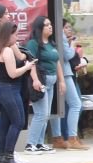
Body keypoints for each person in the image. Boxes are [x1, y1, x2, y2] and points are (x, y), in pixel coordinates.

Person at [0, 21, 36, 163]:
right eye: (15, 35)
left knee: (5, 123)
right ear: (7, 35)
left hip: (4, 89)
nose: (17, 37)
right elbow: (13, 73)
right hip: (9, 89)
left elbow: (20, 56)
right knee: (18, 121)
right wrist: (27, 67)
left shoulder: (0, 49)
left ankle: (2, 158)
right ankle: (9, 156)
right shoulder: (7, 51)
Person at [24, 16, 64, 154]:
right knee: (40, 113)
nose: (50, 27)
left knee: (46, 114)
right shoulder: (33, 44)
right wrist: (36, 80)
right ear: (39, 28)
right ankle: (30, 144)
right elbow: (31, 63)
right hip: (41, 81)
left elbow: (57, 62)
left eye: (50, 24)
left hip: (51, 82)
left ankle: (39, 143)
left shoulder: (51, 44)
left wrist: (62, 81)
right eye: (47, 25)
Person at [53, 19, 88, 150]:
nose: (69, 29)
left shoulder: (53, 34)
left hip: (55, 72)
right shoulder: (60, 34)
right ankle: (72, 138)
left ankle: (57, 138)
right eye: (66, 27)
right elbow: (67, 55)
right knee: (75, 104)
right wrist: (72, 45)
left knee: (55, 106)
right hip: (65, 72)